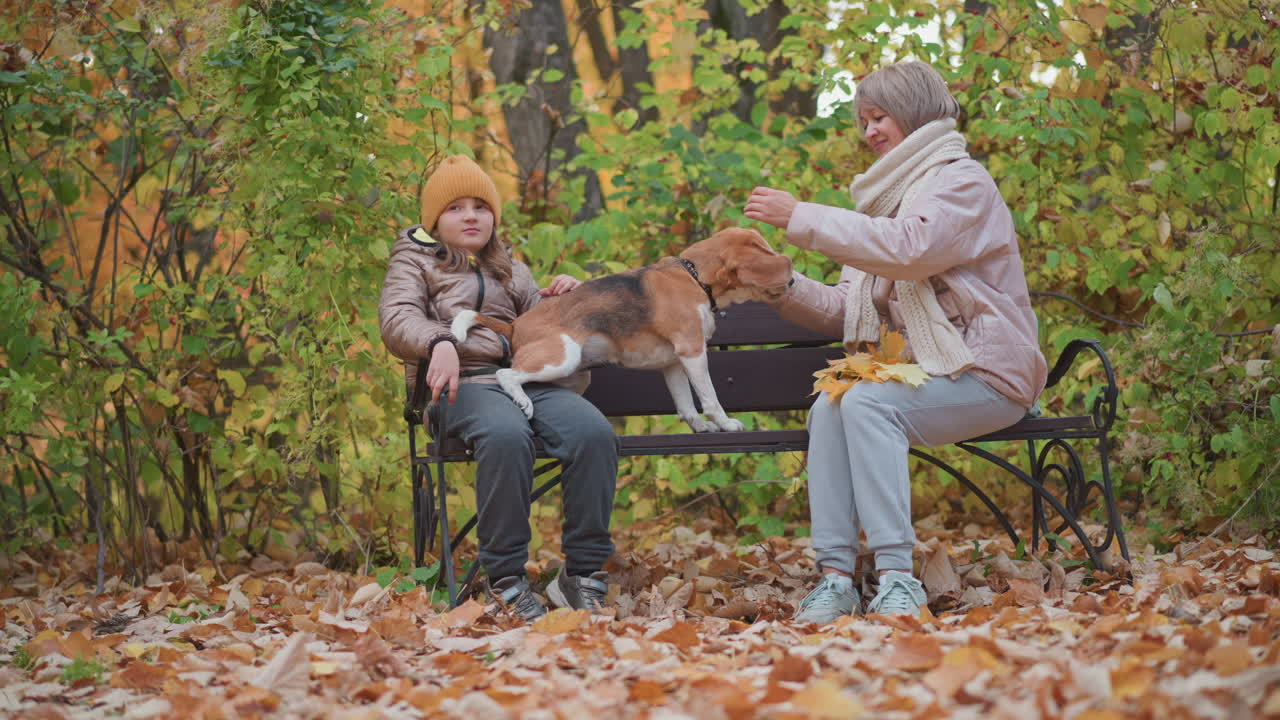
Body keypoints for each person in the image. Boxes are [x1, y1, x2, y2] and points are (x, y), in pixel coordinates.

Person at [743, 61, 1048, 622]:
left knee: (866, 402)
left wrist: (801, 216)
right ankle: (836, 579)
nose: (870, 132)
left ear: (913, 113)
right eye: (864, 121)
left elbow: (911, 249)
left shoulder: (961, 181)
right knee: (832, 404)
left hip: (987, 374)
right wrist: (781, 284)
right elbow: (846, 308)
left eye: (879, 117)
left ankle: (897, 579)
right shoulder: (886, 202)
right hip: (928, 375)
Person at [379, 153, 618, 622]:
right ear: (434, 219)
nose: (471, 216)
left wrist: (568, 302)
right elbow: (397, 317)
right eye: (456, 208)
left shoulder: (514, 270)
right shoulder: (413, 262)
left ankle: (582, 574)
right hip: (458, 388)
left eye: (480, 207)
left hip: (526, 383)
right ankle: (505, 578)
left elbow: (547, 331)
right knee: (507, 434)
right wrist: (440, 339)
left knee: (593, 434)